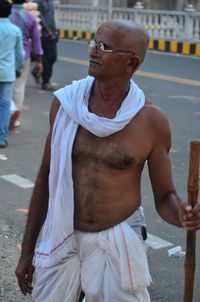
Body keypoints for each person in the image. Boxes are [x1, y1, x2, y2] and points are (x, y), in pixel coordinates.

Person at [15, 19, 200, 302]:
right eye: (93, 43)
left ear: (131, 63)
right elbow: (45, 177)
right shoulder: (66, 104)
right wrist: (28, 251)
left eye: (104, 47)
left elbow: (165, 197)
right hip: (62, 236)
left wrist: (183, 215)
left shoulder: (152, 121)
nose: (93, 51)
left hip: (117, 239)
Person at [9, 0, 43, 130]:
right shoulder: (30, 17)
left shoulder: (6, 13)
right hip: (23, 56)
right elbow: (36, 40)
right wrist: (39, 61)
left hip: (5, 54)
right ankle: (14, 118)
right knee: (19, 87)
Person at [0, 0, 24, 148]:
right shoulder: (15, 30)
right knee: (4, 104)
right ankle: (1, 138)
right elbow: (20, 53)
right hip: (8, 72)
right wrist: (18, 67)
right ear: (9, 12)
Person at [34, 0, 58, 91]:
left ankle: (37, 72)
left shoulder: (50, 2)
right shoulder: (38, 2)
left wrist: (55, 32)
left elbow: (51, 18)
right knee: (49, 57)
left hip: (52, 32)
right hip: (44, 34)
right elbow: (39, 18)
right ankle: (46, 82)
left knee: (52, 57)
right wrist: (48, 31)